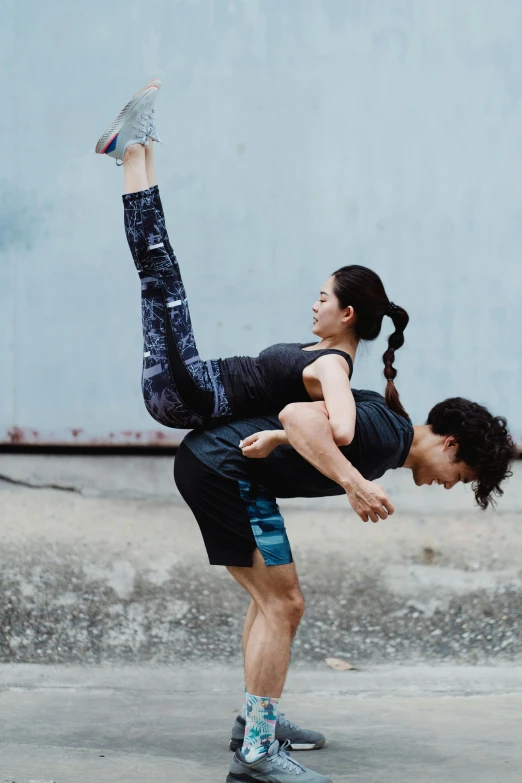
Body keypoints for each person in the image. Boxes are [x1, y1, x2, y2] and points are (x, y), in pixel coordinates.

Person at [174, 391, 516, 783]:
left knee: (274, 601)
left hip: (224, 469)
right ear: (450, 444)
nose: (451, 485)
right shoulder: (386, 433)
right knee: (284, 604)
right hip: (222, 470)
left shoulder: (389, 435)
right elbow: (296, 415)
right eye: (462, 475)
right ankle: (256, 752)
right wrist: (354, 483)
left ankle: (254, 724)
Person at [95, 80, 410, 442]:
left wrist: (282, 433)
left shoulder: (334, 368)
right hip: (192, 381)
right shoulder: (326, 355)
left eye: (323, 299)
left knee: (158, 270)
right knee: (164, 266)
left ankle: (133, 150)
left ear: (348, 314)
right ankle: (140, 146)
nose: (314, 305)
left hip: (186, 393)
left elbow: (343, 430)